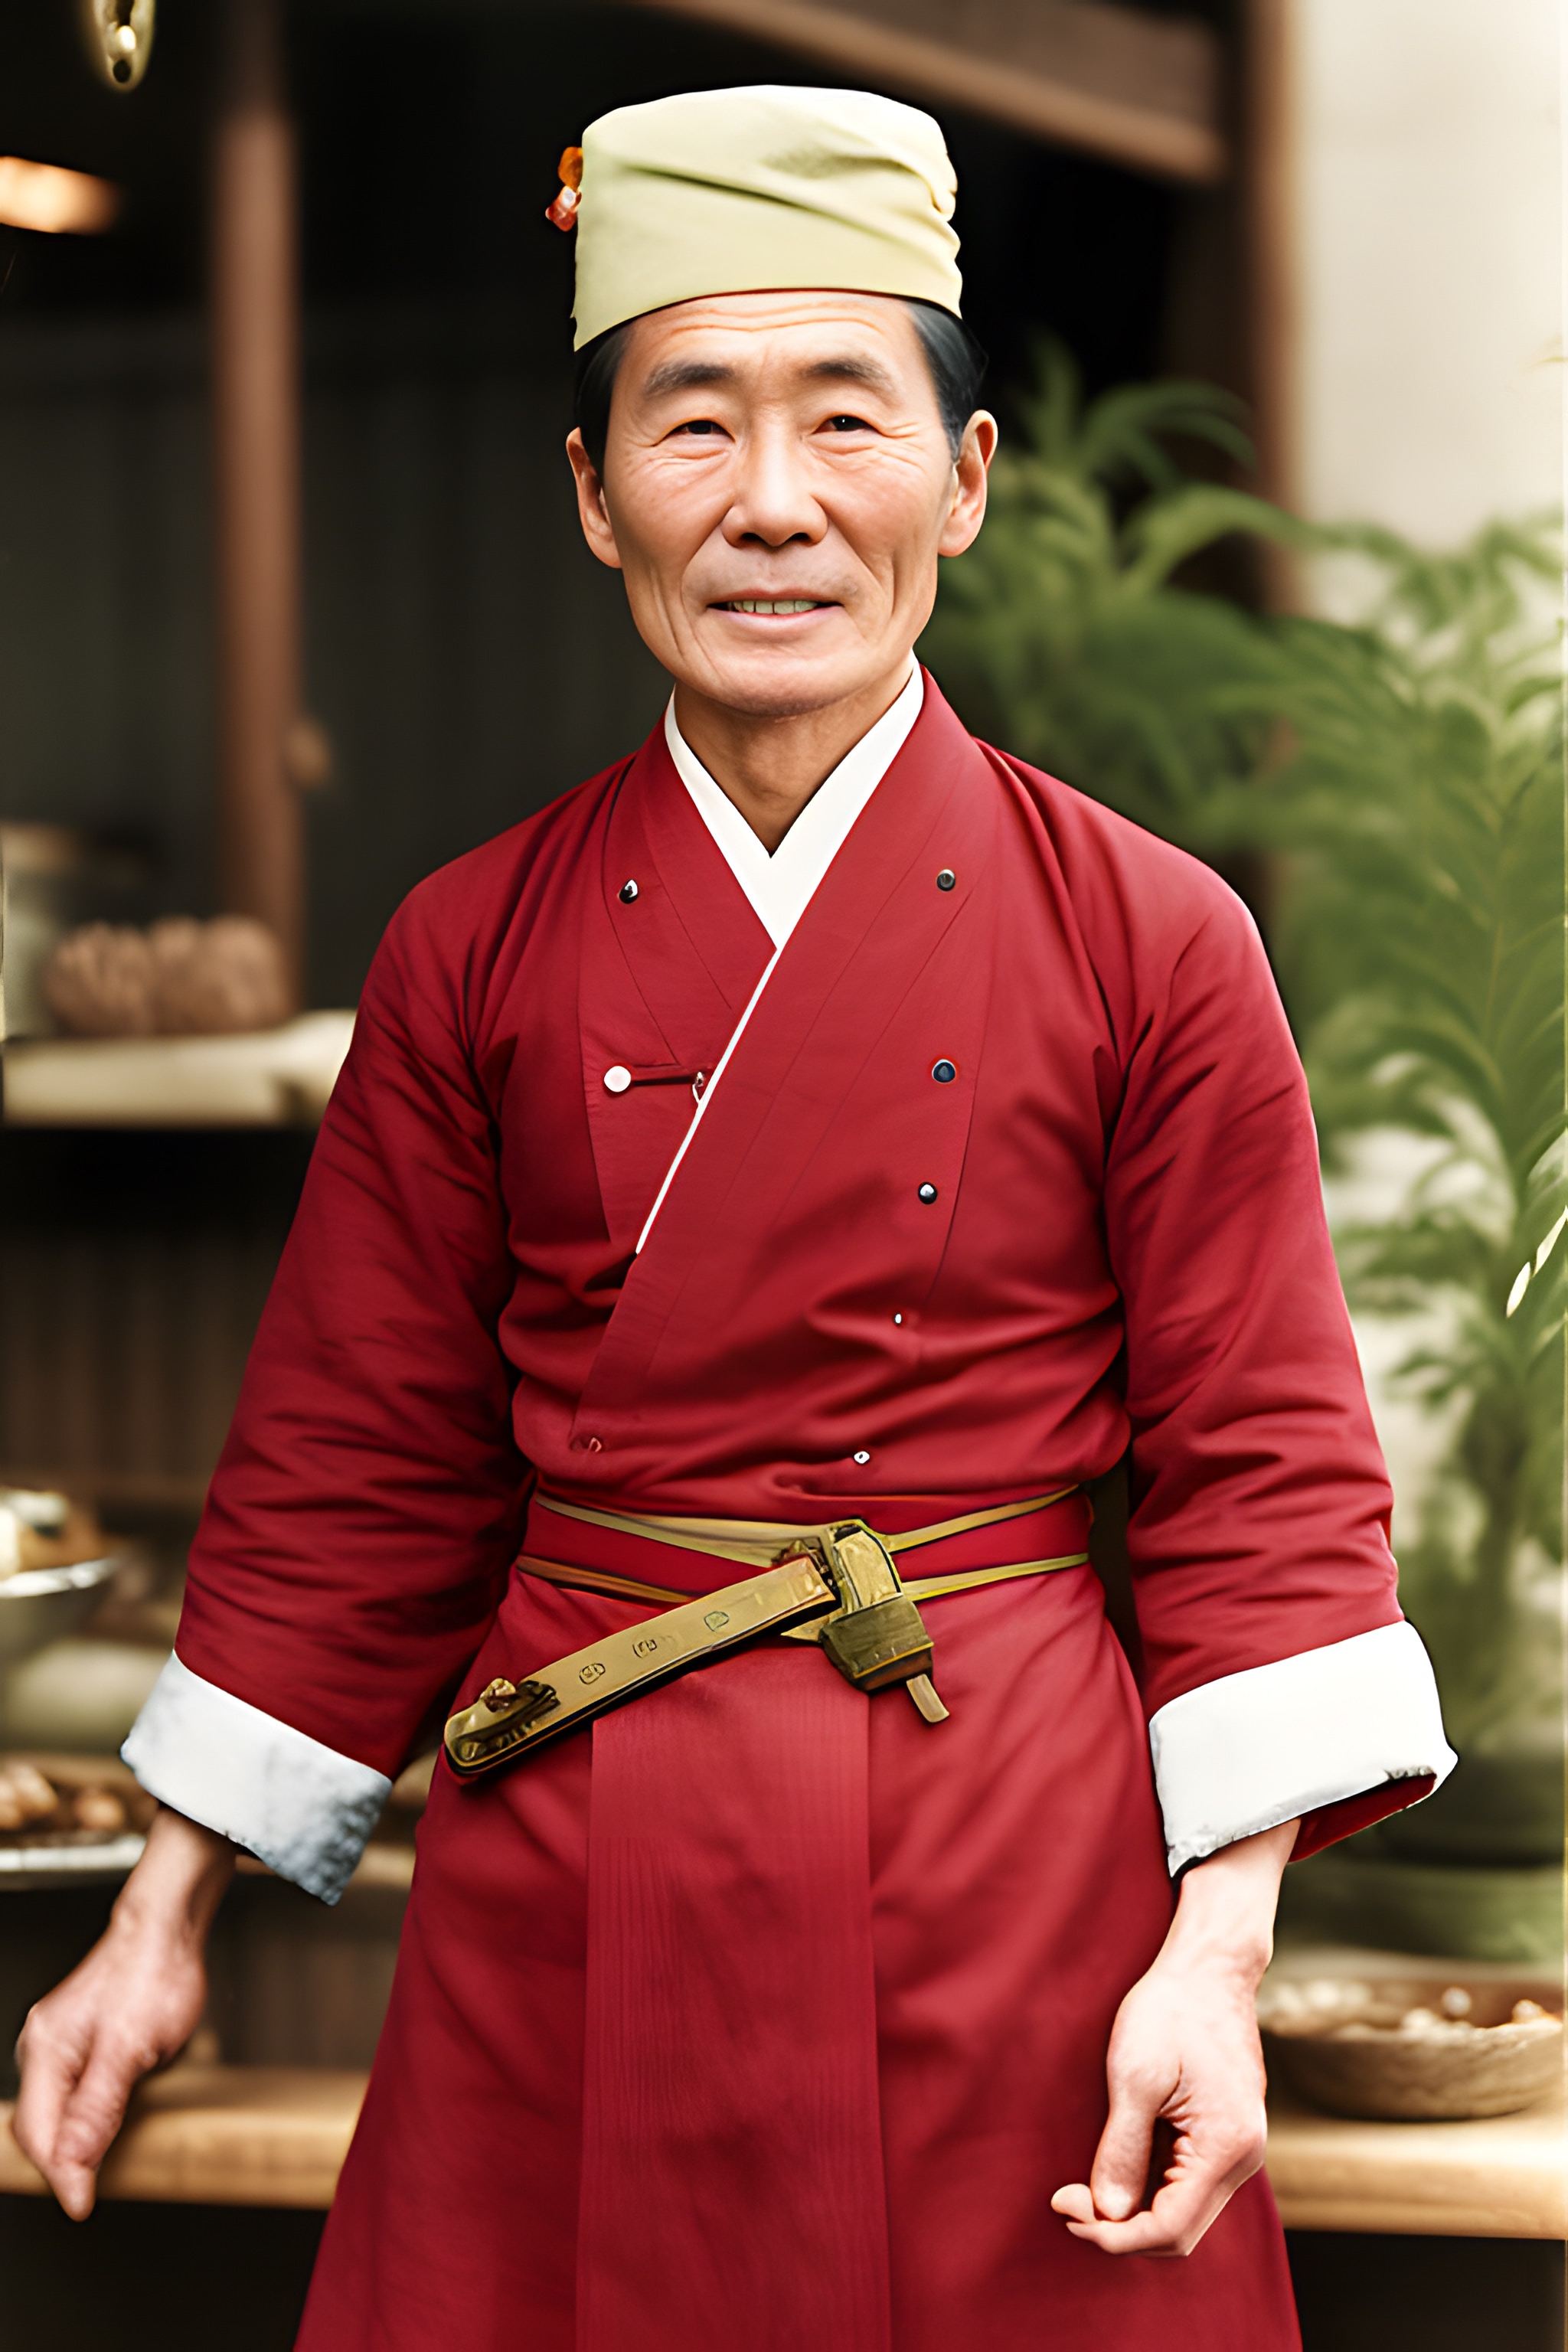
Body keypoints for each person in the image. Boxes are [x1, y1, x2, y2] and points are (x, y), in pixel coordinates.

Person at [15, 84, 1454, 2352]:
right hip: (577, 1865)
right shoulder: (465, 946)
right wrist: (160, 1920)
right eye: (693, 429)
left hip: (1022, 1878)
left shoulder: (1155, 937)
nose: (772, 507)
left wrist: (1219, 1954)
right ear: (595, 497)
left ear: (962, 485)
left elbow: (1262, 1482)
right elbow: (356, 1476)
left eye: (845, 422)